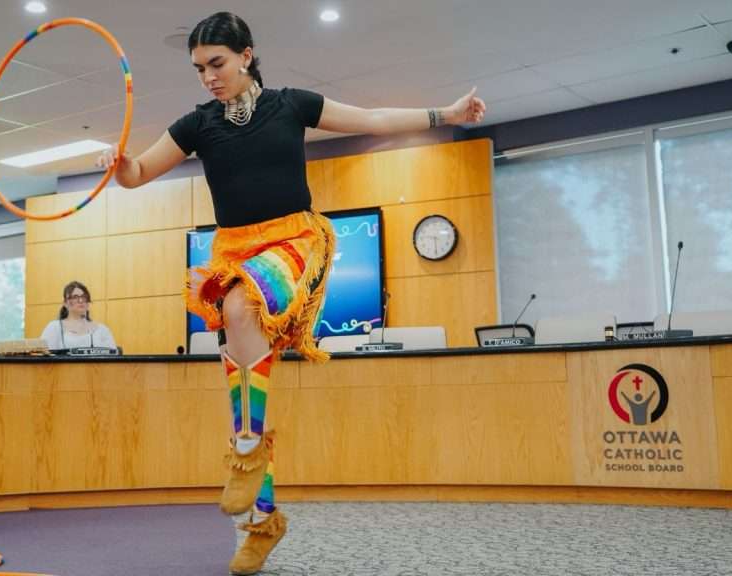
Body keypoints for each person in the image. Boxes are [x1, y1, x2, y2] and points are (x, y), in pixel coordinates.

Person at [101, 11, 485, 574]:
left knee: (238, 306)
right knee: (238, 357)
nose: (208, 76)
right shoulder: (197, 123)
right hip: (234, 249)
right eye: (199, 68)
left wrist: (444, 114)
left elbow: (373, 117)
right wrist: (118, 166)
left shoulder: (291, 104)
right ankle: (261, 515)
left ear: (246, 55)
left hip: (293, 241)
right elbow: (137, 174)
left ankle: (247, 449)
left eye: (218, 63)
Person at [39, 281, 117, 351]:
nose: (80, 300)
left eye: (83, 297)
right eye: (75, 297)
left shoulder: (102, 329)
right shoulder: (54, 327)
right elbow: (44, 358)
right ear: (65, 303)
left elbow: (114, 357)